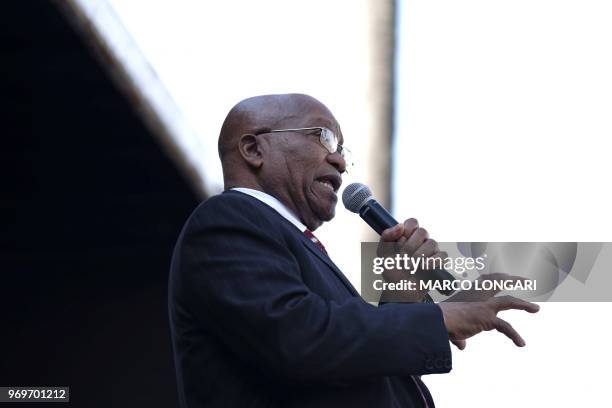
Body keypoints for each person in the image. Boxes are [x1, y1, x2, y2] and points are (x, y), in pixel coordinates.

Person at [168, 93, 539, 407]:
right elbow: (300, 340)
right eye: (324, 138)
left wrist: (400, 295)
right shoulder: (228, 220)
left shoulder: (290, 241)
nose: (340, 161)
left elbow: (351, 368)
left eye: (342, 149)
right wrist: (439, 319)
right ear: (253, 149)